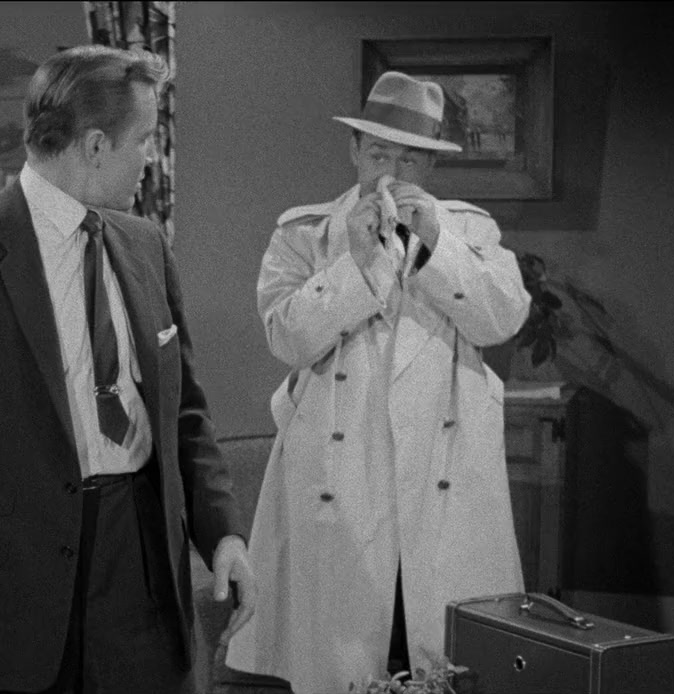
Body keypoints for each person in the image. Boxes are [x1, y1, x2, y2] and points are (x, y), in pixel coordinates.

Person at [0, 45, 256, 694]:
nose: (150, 157)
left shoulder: (146, 246)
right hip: (7, 596)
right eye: (144, 140)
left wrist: (225, 536)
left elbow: (185, 413)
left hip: (143, 579)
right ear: (96, 145)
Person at [224, 71, 530, 692]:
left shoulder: (470, 231)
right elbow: (287, 338)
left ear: (431, 166)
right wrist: (354, 265)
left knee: (438, 646)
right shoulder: (303, 234)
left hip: (440, 467)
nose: (391, 171)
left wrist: (437, 245)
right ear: (355, 151)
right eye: (379, 154)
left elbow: (501, 320)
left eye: (409, 158)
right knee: (340, 649)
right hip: (340, 474)